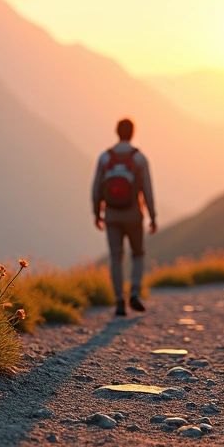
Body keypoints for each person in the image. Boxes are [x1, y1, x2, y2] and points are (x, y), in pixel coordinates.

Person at [91, 118, 157, 316]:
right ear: (133, 133)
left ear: (116, 132)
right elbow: (147, 189)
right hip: (134, 215)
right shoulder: (139, 159)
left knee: (115, 257)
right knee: (137, 254)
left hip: (111, 215)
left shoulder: (105, 158)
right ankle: (135, 292)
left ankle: (119, 300)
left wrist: (97, 213)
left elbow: (95, 189)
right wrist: (153, 216)